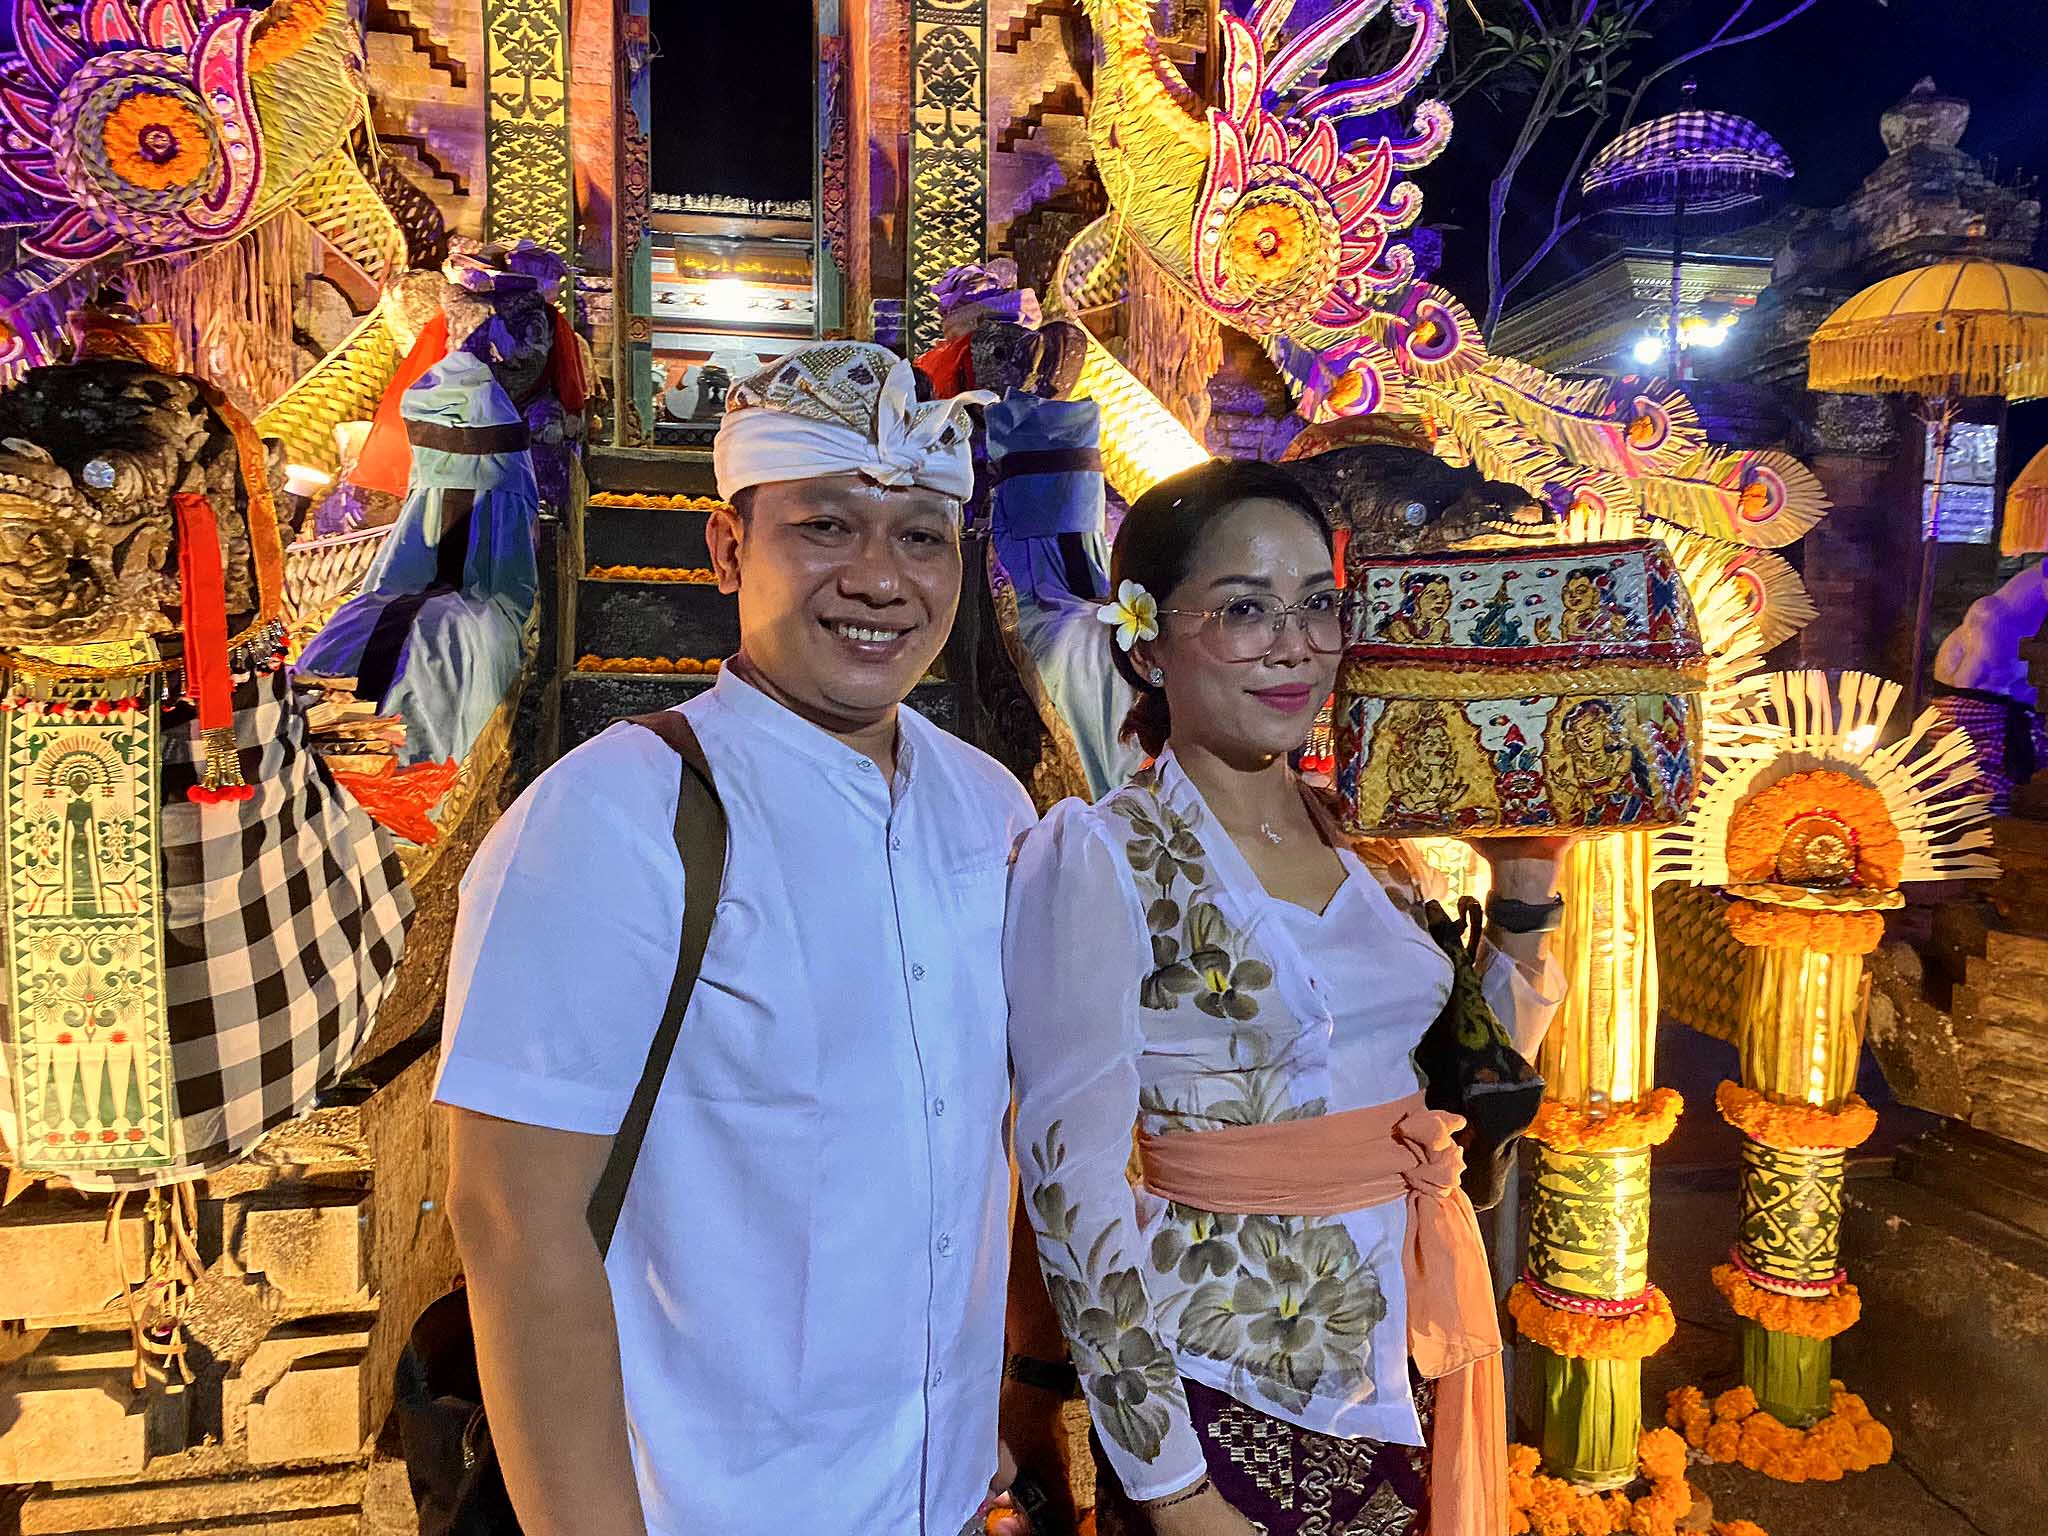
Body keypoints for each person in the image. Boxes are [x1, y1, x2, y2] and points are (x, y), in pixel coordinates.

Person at [434, 340, 1040, 1535]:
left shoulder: (990, 809)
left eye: (920, 536)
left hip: (936, 1494)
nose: (880, 579)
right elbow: (513, 1222)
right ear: (726, 549)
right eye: (824, 527)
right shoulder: (614, 815)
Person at [1005, 459, 1568, 1536]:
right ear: (1145, 639)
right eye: (1242, 609)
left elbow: (1469, 1076)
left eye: (1316, 604)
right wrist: (1170, 1487)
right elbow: (1069, 1180)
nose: (1294, 644)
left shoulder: (1371, 844)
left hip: (1411, 1346)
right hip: (1225, 1383)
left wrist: (1527, 886)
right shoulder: (1101, 855)